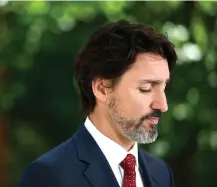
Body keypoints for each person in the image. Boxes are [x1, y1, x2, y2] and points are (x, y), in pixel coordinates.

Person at [19, 19, 177, 187]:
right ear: (102, 89)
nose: (162, 105)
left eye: (164, 87)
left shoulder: (160, 173)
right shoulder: (49, 175)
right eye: (146, 88)